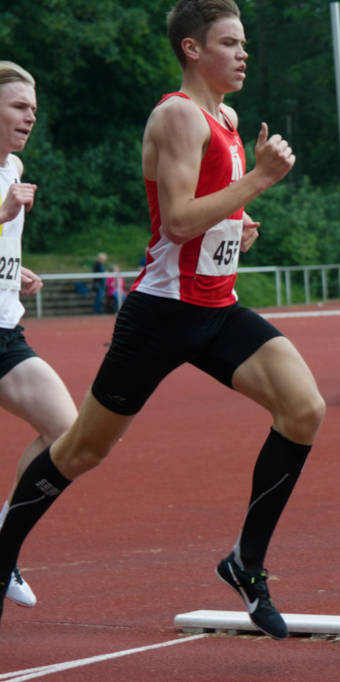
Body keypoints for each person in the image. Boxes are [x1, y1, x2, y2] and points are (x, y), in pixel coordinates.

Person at [0, 0, 325, 638]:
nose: (243, 54)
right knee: (81, 448)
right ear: (192, 50)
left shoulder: (226, 117)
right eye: (229, 43)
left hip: (218, 309)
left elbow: (205, 217)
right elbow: (175, 220)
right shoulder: (177, 115)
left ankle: (246, 563)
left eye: (244, 43)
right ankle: (4, 551)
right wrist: (258, 180)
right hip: (161, 313)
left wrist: (237, 224)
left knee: (304, 409)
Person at [0, 61, 79, 613]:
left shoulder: (15, 167)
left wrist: (13, 268)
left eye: (33, 107)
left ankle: (4, 541)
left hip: (5, 330)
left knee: (68, 430)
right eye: (18, 106)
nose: (30, 115)